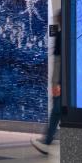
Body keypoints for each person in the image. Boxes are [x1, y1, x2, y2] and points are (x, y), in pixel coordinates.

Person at [32, 10, 62, 155]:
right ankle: (48, 138)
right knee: (57, 111)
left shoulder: (61, 36)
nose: (56, 20)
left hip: (61, 82)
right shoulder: (68, 35)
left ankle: (48, 139)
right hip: (64, 82)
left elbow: (58, 62)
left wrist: (56, 83)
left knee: (56, 111)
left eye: (58, 17)